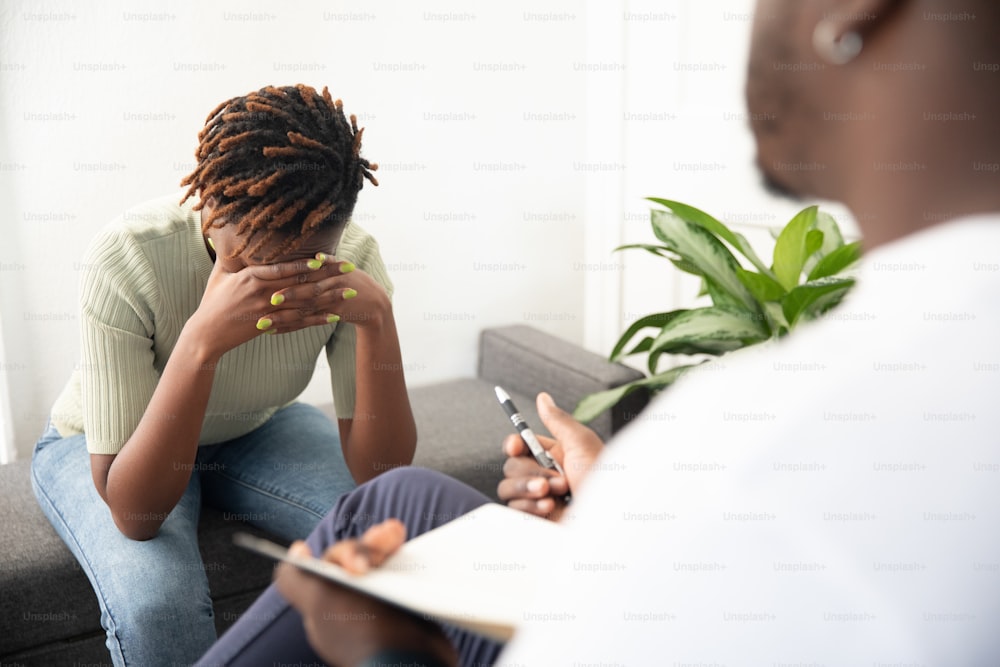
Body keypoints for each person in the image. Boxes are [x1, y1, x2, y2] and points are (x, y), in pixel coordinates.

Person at [198, 0, 1000, 664]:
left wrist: (385, 648)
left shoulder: (763, 445)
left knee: (347, 568)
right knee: (396, 497)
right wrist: (618, 502)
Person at [30, 84, 417, 667]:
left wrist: (378, 321)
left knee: (393, 551)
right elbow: (135, 516)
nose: (279, 286)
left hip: (256, 426)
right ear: (210, 207)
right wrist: (200, 343)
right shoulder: (128, 256)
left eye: (303, 265)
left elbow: (381, 475)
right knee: (159, 605)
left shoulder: (354, 259)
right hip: (106, 443)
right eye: (253, 264)